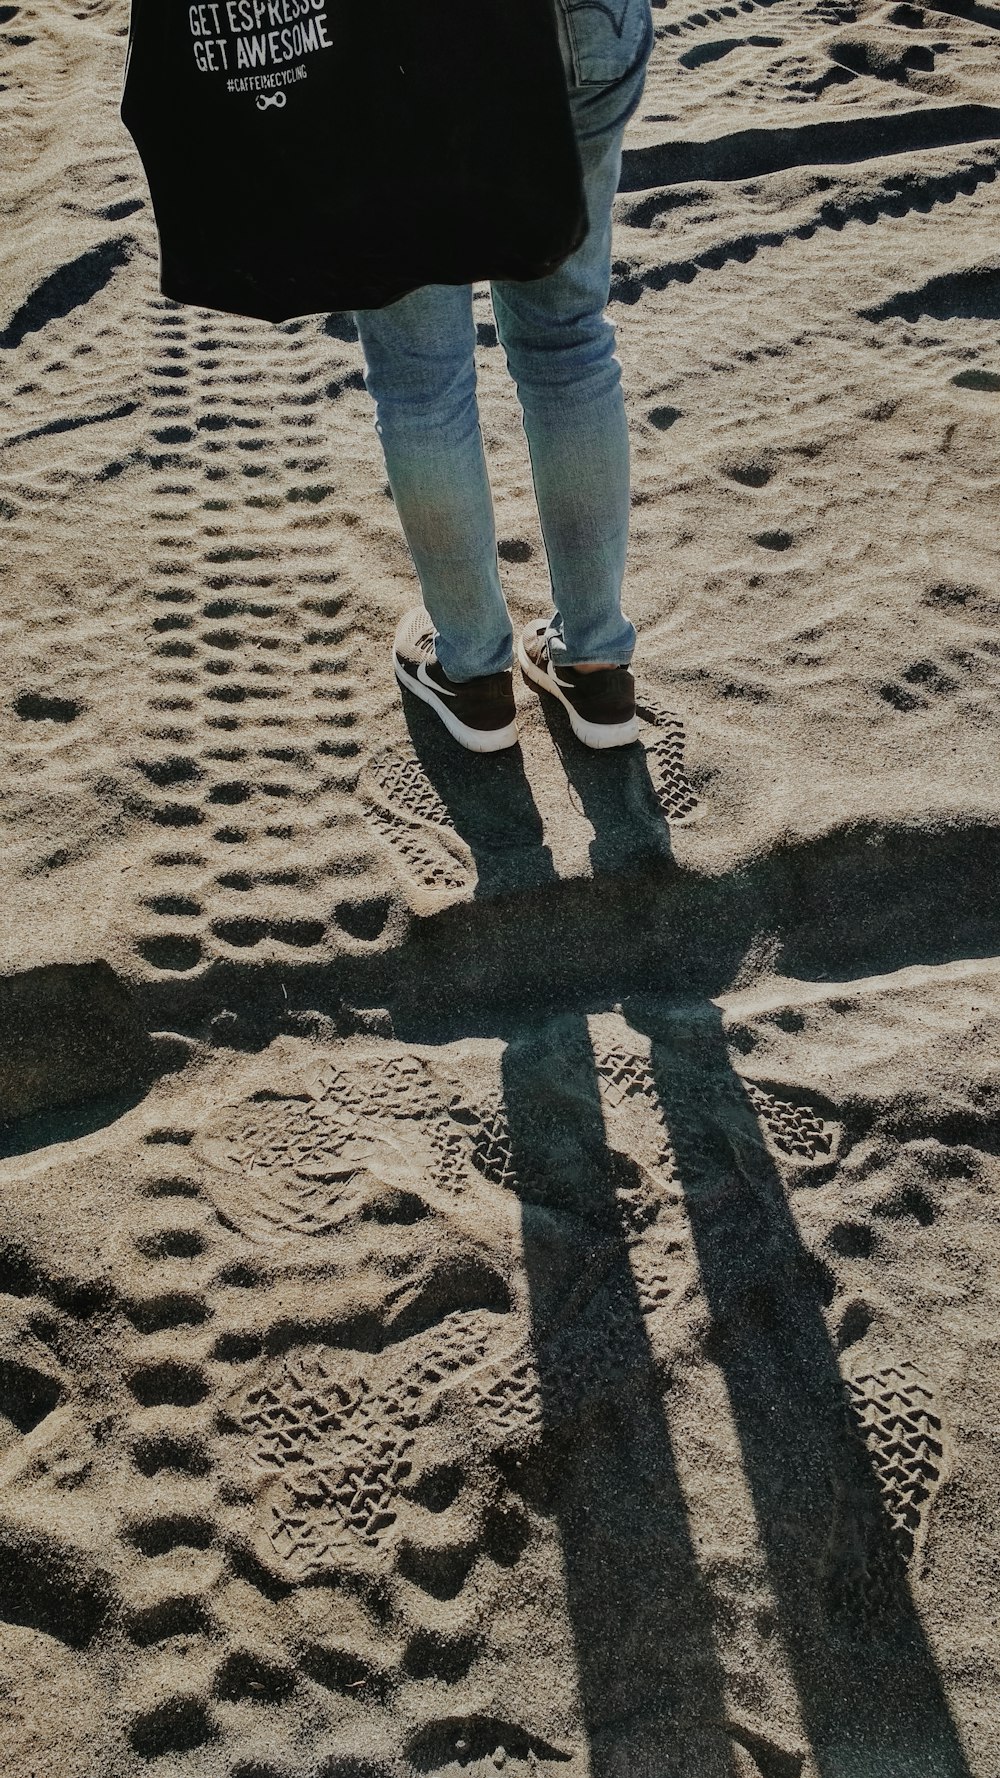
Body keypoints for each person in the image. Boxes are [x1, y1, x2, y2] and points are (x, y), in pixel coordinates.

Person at [352, 0, 654, 755]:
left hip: (396, 44)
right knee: (570, 341)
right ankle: (595, 661)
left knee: (422, 379)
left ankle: (474, 673)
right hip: (584, 25)